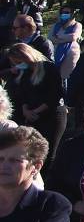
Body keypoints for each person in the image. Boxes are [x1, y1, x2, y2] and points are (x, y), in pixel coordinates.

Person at [7, 43, 65, 172]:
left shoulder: (48, 68)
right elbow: (22, 93)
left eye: (18, 61)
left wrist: (36, 111)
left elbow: (55, 94)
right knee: (32, 150)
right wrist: (25, 109)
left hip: (51, 115)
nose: (17, 65)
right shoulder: (25, 72)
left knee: (49, 152)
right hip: (32, 115)